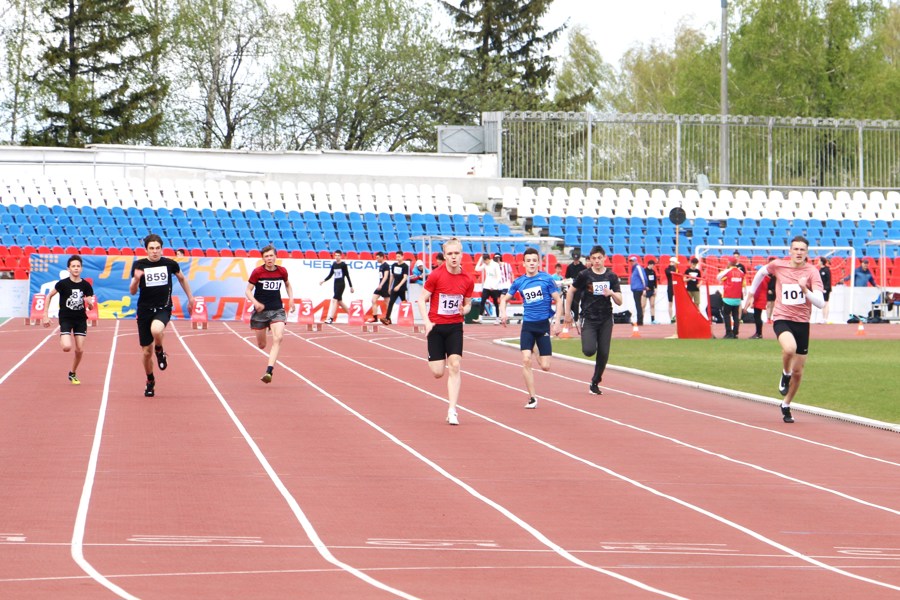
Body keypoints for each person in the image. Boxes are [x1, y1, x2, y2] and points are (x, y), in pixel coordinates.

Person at [744, 236, 824, 424]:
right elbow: (761, 272)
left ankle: (786, 404)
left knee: (799, 372)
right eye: (795, 249)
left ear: (807, 253)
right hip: (782, 318)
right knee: (789, 349)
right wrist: (751, 293)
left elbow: (820, 303)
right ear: (790, 251)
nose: (798, 253)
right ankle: (784, 374)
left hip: (802, 323)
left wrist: (805, 290)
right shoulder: (778, 265)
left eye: (802, 250)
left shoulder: (812, 272)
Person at [417, 238, 474, 426]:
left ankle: (452, 410)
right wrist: (426, 322)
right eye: (450, 254)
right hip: (436, 326)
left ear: (461, 254)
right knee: (437, 372)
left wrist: (464, 310)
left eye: (456, 253)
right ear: (445, 256)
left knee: (455, 364)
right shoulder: (435, 276)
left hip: (455, 326)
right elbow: (421, 299)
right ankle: (434, 359)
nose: (453, 257)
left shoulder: (467, 279)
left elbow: (468, 303)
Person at [129, 234, 195, 398]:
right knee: (145, 353)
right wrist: (136, 280)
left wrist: (191, 298)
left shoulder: (169, 264)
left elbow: (182, 278)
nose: (155, 251)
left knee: (157, 330)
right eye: (151, 248)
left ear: (161, 249)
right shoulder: (139, 265)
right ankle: (150, 380)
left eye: (157, 248)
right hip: (144, 310)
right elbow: (132, 291)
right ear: (146, 250)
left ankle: (159, 349)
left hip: (163, 308)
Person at [499, 248, 563, 409]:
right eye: (529, 261)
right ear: (524, 263)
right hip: (528, 325)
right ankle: (532, 397)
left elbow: (559, 301)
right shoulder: (519, 282)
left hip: (543, 326)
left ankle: (535, 347)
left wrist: (557, 322)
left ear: (538, 262)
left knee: (545, 366)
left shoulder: (547, 279)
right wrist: (503, 313)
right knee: (526, 360)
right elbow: (504, 299)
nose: (532, 263)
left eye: (534, 260)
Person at [563, 245, 623, 395]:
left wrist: (611, 293)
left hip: (606, 318)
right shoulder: (585, 275)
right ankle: (587, 337)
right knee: (589, 351)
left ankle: (595, 381)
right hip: (589, 317)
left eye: (599, 258)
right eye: (593, 258)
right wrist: (567, 313)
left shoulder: (611, 277)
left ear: (604, 259)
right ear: (590, 260)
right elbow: (571, 291)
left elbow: (620, 301)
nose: (596, 261)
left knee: (604, 353)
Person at [42, 255, 96, 385]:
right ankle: (63, 335)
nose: (76, 268)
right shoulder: (63, 284)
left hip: (80, 319)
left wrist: (89, 303)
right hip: (66, 318)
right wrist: (45, 314)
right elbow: (49, 295)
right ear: (69, 269)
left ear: (81, 269)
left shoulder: (86, 285)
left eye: (78, 266)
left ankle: (72, 372)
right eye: (73, 266)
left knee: (79, 350)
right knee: (67, 347)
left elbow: (90, 306)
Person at [246, 245, 294, 383]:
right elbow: (248, 290)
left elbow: (287, 284)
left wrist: (291, 299)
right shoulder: (257, 272)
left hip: (277, 310)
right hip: (260, 312)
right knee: (262, 345)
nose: (269, 258)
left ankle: (269, 371)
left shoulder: (282, 271)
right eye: (266, 256)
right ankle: (266, 327)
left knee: (278, 338)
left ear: (275, 257)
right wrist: (255, 302)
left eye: (271, 256)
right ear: (263, 258)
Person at [319, 249, 354, 324]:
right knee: (339, 301)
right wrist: (323, 280)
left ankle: (330, 318)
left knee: (334, 300)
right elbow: (330, 275)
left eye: (338, 255)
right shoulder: (334, 264)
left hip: (341, 284)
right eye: (336, 255)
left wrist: (351, 286)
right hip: (335, 284)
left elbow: (347, 275)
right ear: (334, 256)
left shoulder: (343, 265)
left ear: (341, 256)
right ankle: (352, 315)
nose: (337, 257)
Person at [716, 256, 744, 338]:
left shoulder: (728, 271)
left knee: (726, 315)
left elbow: (718, 277)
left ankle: (729, 333)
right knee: (735, 315)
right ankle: (735, 333)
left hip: (728, 297)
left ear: (730, 262)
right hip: (737, 298)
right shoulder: (741, 272)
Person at [381, 250, 409, 325]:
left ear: (403, 257)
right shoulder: (394, 265)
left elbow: (405, 277)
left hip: (402, 288)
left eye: (399, 256)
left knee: (404, 302)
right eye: (397, 256)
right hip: (394, 287)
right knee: (391, 302)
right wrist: (389, 287)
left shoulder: (405, 266)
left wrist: (399, 286)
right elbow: (392, 276)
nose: (398, 258)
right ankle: (387, 318)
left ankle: (406, 318)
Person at [474, 252, 501, 318]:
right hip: (486, 286)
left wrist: (494, 285)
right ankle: (480, 317)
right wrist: (480, 259)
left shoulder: (495, 265)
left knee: (496, 303)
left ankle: (497, 318)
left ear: (487, 259)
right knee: (483, 301)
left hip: (494, 288)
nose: (484, 262)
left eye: (484, 261)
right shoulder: (485, 265)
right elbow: (476, 269)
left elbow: (499, 277)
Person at [367, 251, 391, 323]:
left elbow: (386, 276)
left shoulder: (386, 265)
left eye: (377, 258)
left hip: (384, 286)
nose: (376, 259)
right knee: (373, 300)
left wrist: (381, 285)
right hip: (380, 286)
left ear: (382, 257)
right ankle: (375, 317)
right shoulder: (381, 266)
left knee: (387, 302)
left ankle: (388, 318)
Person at [749, 264, 770, 339]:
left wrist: (753, 300)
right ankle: (758, 333)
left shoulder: (761, 279)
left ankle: (759, 333)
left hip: (759, 299)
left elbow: (757, 290)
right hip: (762, 298)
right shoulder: (766, 278)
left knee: (757, 316)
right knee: (757, 316)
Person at [564, 252, 586, 321]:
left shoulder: (583, 267)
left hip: (579, 288)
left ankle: (576, 318)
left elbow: (585, 278)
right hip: (571, 287)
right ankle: (573, 316)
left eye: (577, 259)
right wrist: (569, 284)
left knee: (576, 302)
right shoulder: (569, 267)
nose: (576, 260)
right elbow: (567, 277)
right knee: (571, 303)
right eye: (574, 259)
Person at [628, 255, 648, 326]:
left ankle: (640, 321)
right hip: (636, 288)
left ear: (636, 261)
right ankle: (639, 320)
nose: (631, 263)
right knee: (638, 305)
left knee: (638, 305)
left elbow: (643, 277)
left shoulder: (638, 268)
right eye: (631, 261)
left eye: (633, 261)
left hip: (638, 289)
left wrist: (645, 287)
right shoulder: (634, 268)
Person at [818, 256, 832, 324]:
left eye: (819, 261)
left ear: (821, 262)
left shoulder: (826, 270)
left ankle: (825, 318)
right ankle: (823, 318)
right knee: (823, 304)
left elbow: (828, 280)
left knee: (826, 303)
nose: (817, 262)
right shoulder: (820, 270)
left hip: (826, 289)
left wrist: (826, 288)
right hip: (821, 289)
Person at [665, 256, 678, 323]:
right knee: (670, 303)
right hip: (670, 287)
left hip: (676, 287)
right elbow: (670, 273)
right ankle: (671, 318)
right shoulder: (667, 269)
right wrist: (672, 267)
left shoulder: (676, 269)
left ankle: (676, 317)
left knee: (677, 303)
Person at [645, 258, 658, 324]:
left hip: (652, 289)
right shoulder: (645, 271)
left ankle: (653, 319)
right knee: (643, 305)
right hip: (646, 289)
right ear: (649, 264)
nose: (653, 266)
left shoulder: (653, 272)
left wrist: (655, 288)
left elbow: (655, 281)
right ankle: (641, 318)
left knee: (652, 305)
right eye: (652, 265)